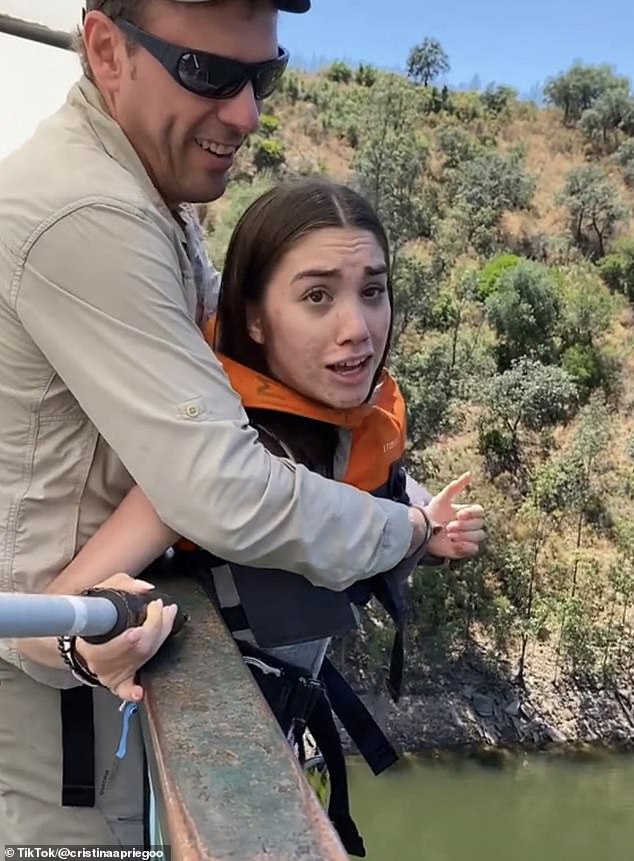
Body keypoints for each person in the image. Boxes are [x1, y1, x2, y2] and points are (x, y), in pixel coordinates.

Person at [0, 0, 472, 848]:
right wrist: (403, 530)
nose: (248, 112)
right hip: (54, 700)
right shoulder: (92, 213)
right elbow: (218, 488)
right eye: (208, 73)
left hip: (98, 672)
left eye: (264, 76)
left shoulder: (152, 198)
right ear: (106, 49)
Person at [44, 177, 486, 854]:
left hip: (279, 733)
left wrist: (429, 530)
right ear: (254, 318)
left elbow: (378, 490)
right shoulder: (222, 462)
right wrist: (87, 644)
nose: (358, 328)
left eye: (372, 290)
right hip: (139, 785)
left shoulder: (345, 424)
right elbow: (54, 610)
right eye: (317, 296)